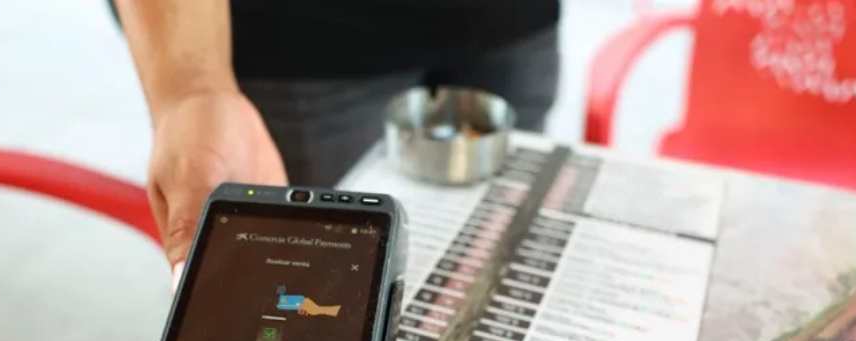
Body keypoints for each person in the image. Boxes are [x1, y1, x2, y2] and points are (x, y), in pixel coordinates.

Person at [114, 1, 560, 274]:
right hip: (298, 45)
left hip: (517, 24)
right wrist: (195, 89)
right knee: (314, 283)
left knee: (498, 249)